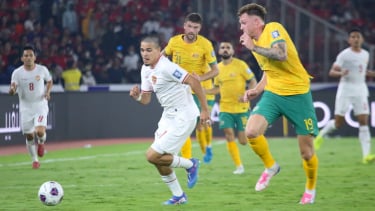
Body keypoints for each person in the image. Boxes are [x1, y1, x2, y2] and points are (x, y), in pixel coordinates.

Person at [237, 3, 319, 204]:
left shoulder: (273, 28)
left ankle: (310, 188)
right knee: (251, 132)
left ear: (257, 22)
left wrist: (253, 47)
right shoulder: (254, 41)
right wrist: (257, 89)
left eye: (244, 22)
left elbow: (281, 54)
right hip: (274, 94)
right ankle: (271, 166)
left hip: (298, 94)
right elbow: (269, 69)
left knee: (306, 153)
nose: (241, 27)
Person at [129, 35, 210, 205]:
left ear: (159, 51)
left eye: (149, 50)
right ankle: (179, 196)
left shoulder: (167, 67)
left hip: (184, 115)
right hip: (168, 116)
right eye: (142, 50)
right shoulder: (146, 69)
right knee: (160, 160)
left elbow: (194, 81)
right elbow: (146, 100)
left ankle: (190, 164)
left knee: (152, 156)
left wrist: (205, 109)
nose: (145, 53)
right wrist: (137, 98)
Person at [163, 12, 219, 163]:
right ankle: (189, 161)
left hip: (198, 90)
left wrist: (199, 78)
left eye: (195, 27)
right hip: (179, 90)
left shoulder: (206, 44)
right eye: (189, 26)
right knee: (183, 125)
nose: (192, 30)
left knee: (201, 125)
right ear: (184, 26)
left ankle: (207, 147)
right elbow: (161, 59)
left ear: (199, 28)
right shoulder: (174, 41)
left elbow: (215, 70)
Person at [314, 28, 375, 164]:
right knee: (338, 123)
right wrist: (342, 72)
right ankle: (321, 135)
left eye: (358, 37)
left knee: (363, 121)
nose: (355, 39)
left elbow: (362, 71)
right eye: (352, 37)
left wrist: (371, 73)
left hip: (360, 89)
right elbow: (332, 72)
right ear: (349, 40)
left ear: (362, 39)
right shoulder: (344, 55)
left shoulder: (365, 54)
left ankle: (366, 156)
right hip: (346, 90)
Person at [205, 41, 257, 174]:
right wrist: (204, 91)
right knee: (229, 135)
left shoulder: (241, 65)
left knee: (243, 141)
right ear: (219, 51)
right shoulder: (217, 69)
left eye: (228, 47)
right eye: (222, 48)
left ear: (233, 51)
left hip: (242, 108)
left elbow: (252, 81)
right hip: (225, 108)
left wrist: (248, 94)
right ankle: (239, 166)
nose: (225, 50)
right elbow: (217, 89)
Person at [8, 45, 53, 169]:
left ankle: (42, 142)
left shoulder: (42, 70)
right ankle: (35, 160)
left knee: (39, 131)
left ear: (35, 57)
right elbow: (13, 87)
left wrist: (47, 92)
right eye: (26, 56)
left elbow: (49, 81)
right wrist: (12, 90)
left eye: (30, 55)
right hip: (26, 107)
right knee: (29, 135)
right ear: (22, 58)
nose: (28, 58)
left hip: (40, 105)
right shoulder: (17, 73)